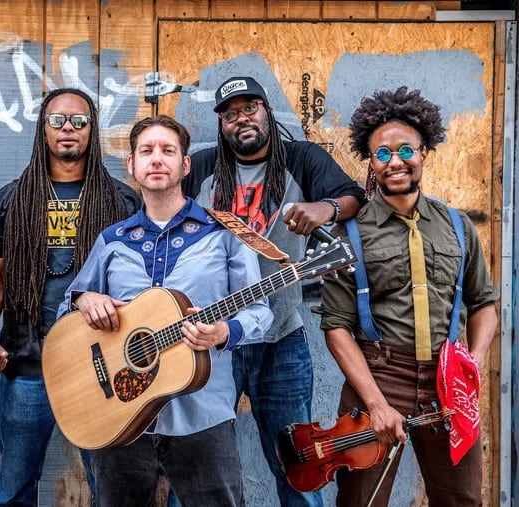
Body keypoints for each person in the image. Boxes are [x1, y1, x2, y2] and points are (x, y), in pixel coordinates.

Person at [57, 115, 271, 506]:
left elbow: (260, 311)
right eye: (147, 151)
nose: (157, 159)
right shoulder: (112, 241)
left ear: (185, 165)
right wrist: (85, 300)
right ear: (133, 166)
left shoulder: (225, 233)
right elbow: (66, 311)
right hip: (119, 416)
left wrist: (224, 331)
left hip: (202, 414)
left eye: (168, 151)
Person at [182, 76, 365, 506]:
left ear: (266, 111)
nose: (241, 119)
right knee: (197, 464)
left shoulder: (301, 158)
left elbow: (352, 196)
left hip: (281, 338)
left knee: (298, 468)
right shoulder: (204, 167)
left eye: (250, 109)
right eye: (230, 114)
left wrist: (326, 208)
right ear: (222, 124)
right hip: (211, 344)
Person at [320, 86, 498, 505]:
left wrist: (473, 363)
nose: (395, 161)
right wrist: (376, 404)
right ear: (371, 162)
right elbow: (336, 328)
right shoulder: (350, 234)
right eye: (382, 154)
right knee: (360, 500)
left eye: (405, 151)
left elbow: (484, 303)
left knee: (461, 499)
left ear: (424, 153)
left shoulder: (457, 226)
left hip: (447, 380)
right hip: (379, 377)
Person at [0, 88, 141, 507]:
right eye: (58, 121)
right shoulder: (13, 199)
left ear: (92, 130)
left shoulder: (121, 201)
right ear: (43, 129)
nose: (68, 129)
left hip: (99, 365)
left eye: (79, 121)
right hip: (27, 364)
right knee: (13, 491)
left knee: (114, 490)